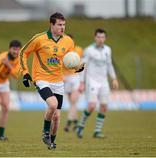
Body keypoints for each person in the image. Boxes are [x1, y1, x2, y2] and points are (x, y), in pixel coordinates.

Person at [19, 12, 84, 150]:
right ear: (52, 25)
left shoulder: (68, 41)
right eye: (59, 25)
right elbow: (23, 53)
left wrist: (77, 67)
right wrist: (25, 73)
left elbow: (69, 61)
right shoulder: (39, 39)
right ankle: (45, 132)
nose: (62, 28)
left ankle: (51, 142)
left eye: (64, 25)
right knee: (52, 104)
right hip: (41, 79)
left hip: (58, 81)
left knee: (57, 117)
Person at [76, 28, 119, 138]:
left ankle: (97, 131)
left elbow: (109, 65)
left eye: (102, 37)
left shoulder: (108, 50)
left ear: (105, 38)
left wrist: (114, 78)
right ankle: (81, 125)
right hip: (92, 81)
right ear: (95, 37)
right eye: (98, 37)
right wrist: (81, 82)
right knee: (92, 106)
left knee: (104, 106)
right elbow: (82, 67)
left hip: (104, 81)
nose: (100, 39)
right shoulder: (89, 50)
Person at [63, 34, 83, 132]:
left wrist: (83, 81)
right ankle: (76, 122)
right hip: (65, 79)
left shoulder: (79, 50)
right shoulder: (62, 51)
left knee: (74, 101)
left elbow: (83, 64)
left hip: (75, 77)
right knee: (72, 103)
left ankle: (68, 122)